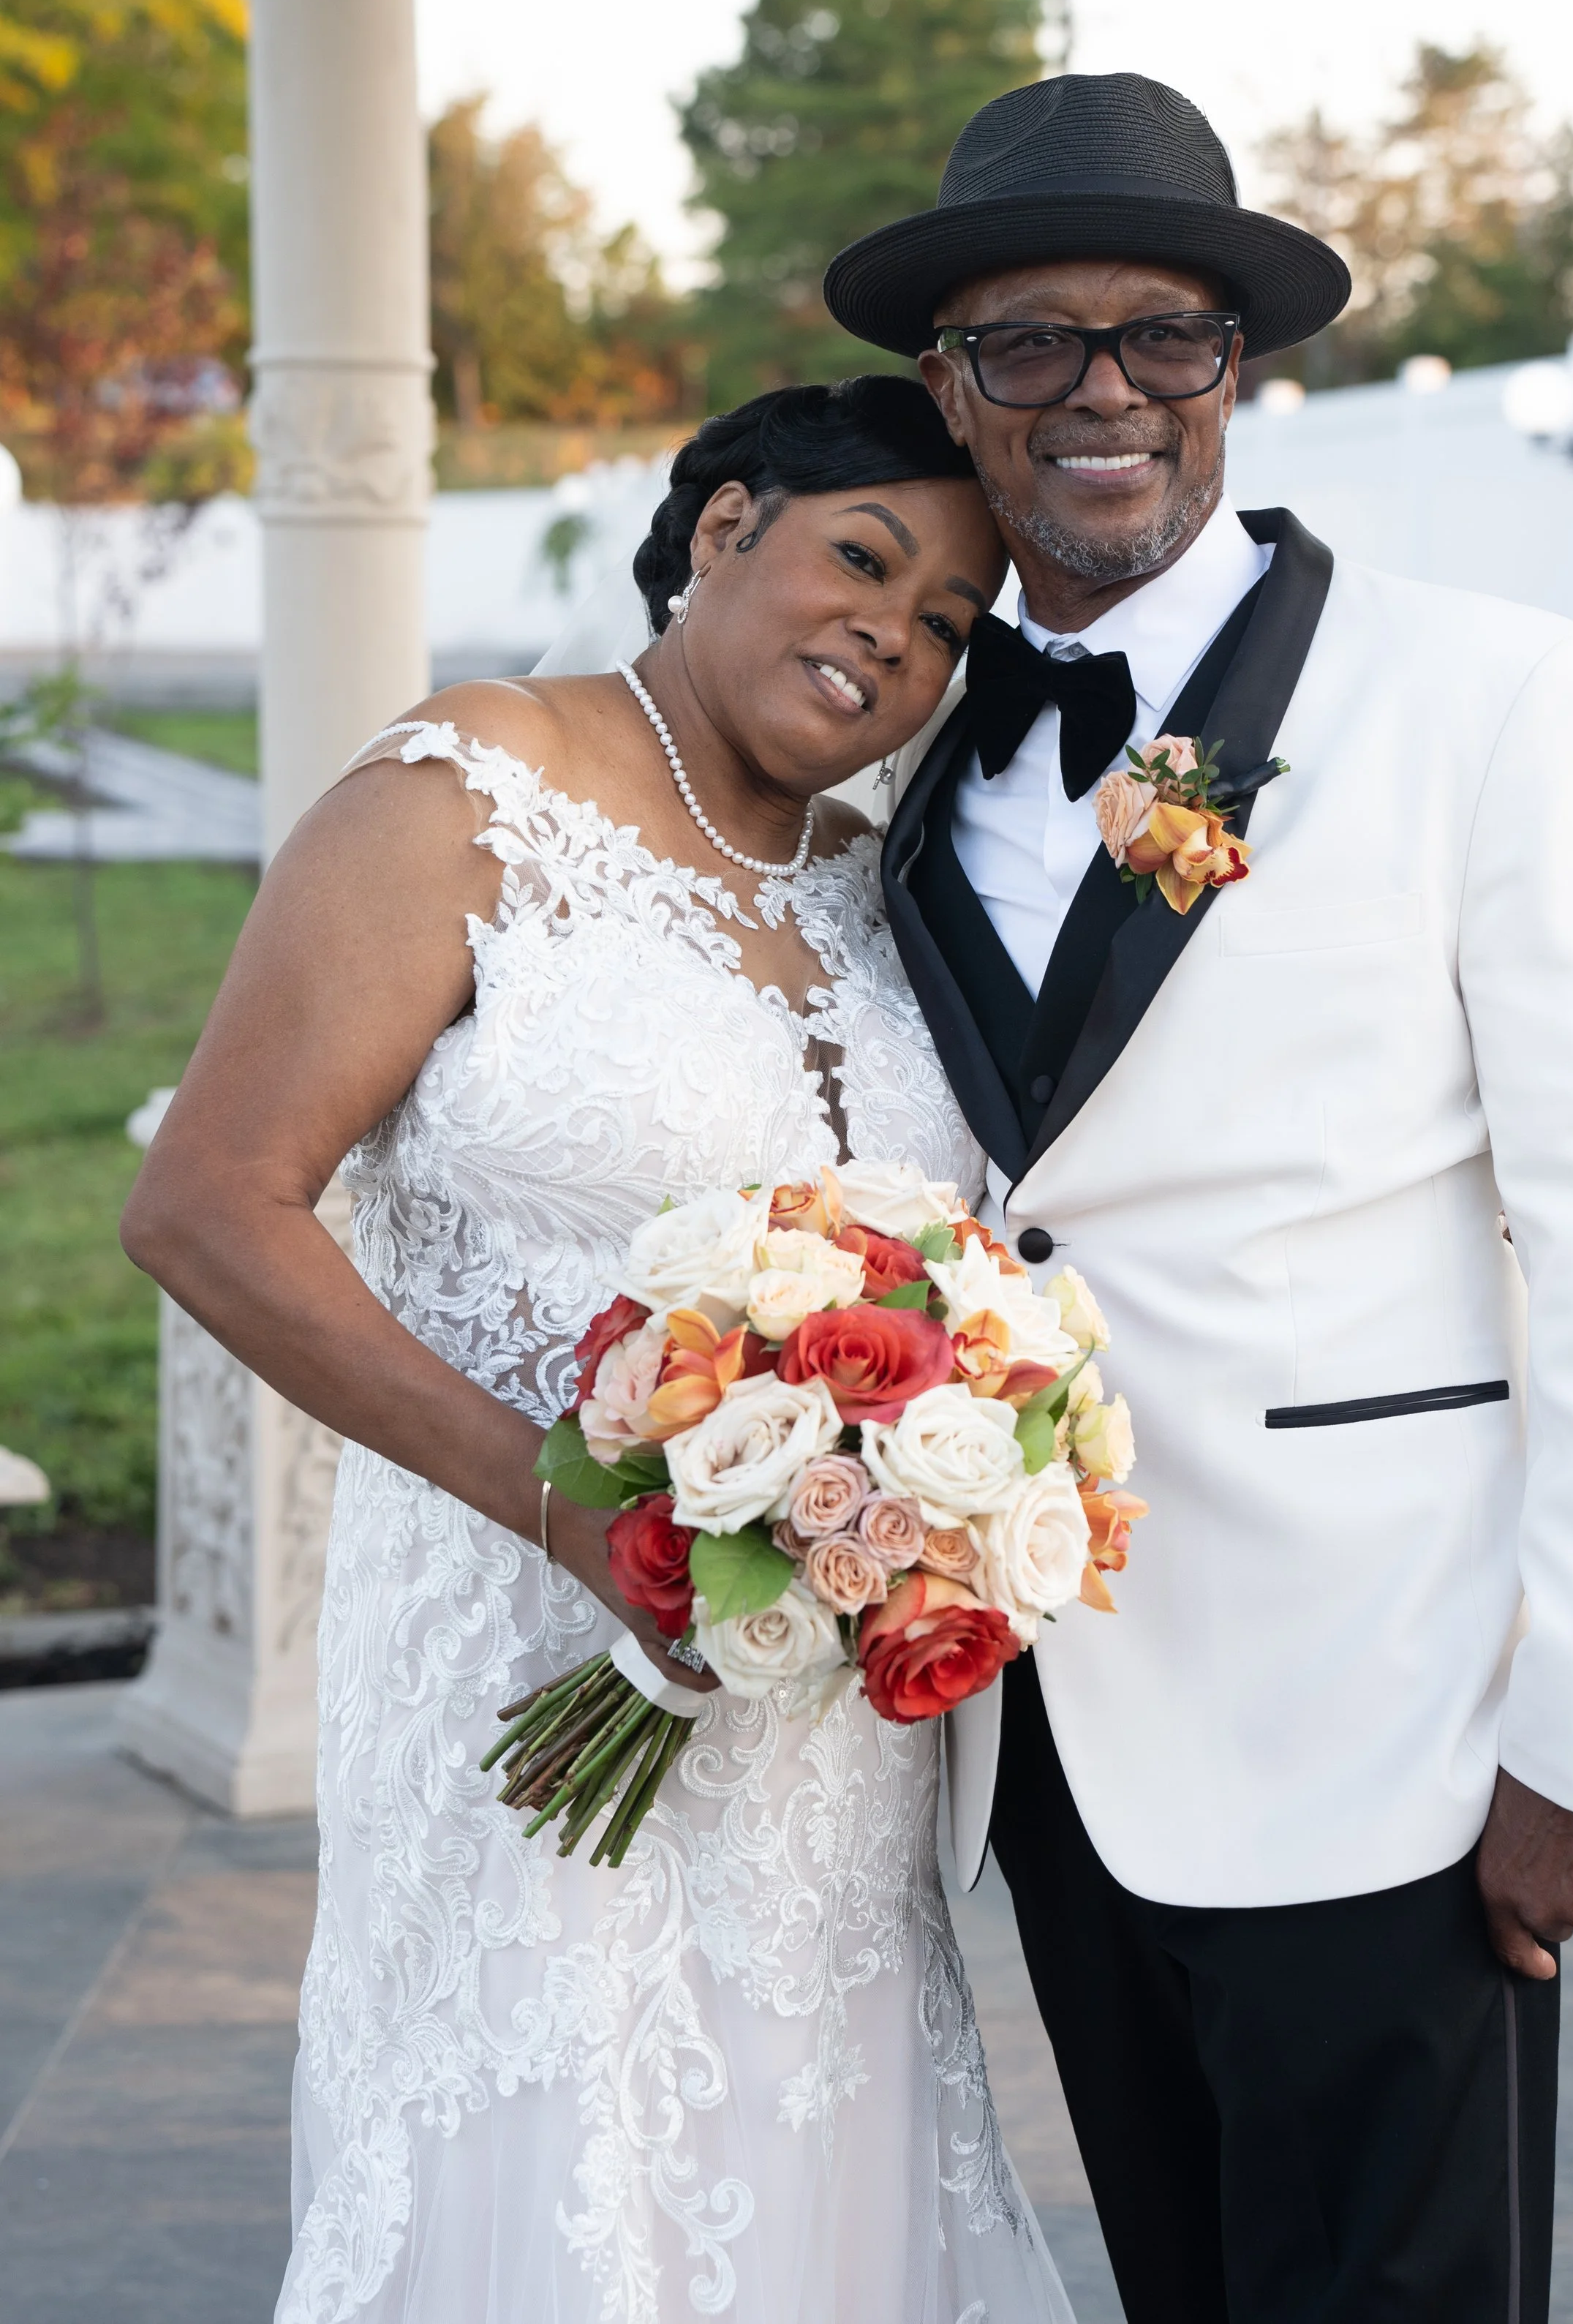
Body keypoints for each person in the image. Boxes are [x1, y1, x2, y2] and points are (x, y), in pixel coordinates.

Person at [823, 72, 1573, 2324]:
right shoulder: (915, 755)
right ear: (954, 390)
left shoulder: (1486, 696)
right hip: (1041, 1722)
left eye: (1166, 336)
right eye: (1029, 342)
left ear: (1239, 369)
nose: (1103, 390)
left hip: (1395, 1732)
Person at [121, 379, 1076, 2324]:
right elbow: (210, 1205)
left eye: (952, 618)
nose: (897, 628)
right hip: (517, 1650)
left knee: (810, 2157)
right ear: (725, 527)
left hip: (812, 1731)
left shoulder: (883, 888)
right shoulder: (468, 793)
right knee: (553, 2177)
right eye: (861, 555)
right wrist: (568, 1506)